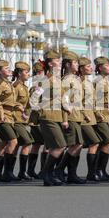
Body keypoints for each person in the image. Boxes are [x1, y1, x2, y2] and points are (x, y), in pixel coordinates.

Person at [55, 51, 86, 184]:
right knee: (75, 144)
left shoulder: (75, 79)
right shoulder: (67, 80)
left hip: (77, 115)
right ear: (67, 65)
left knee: (78, 145)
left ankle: (72, 173)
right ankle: (60, 169)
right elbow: (64, 100)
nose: (77, 65)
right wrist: (65, 119)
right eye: (75, 63)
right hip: (71, 115)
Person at [38, 50, 67, 186]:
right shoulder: (46, 80)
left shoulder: (57, 79)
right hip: (48, 116)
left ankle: (48, 175)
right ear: (50, 63)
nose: (60, 62)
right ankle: (46, 173)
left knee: (57, 146)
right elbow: (35, 97)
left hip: (57, 116)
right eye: (57, 60)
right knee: (60, 145)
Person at [0, 59, 19, 182]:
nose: (9, 70)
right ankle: (7, 172)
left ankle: (0, 173)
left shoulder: (8, 83)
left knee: (3, 144)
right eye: (5, 68)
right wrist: (0, 113)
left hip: (10, 116)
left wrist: (17, 105)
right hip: (2, 117)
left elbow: (9, 99)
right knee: (13, 141)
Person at [78, 56, 102, 181]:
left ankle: (92, 172)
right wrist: (83, 113)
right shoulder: (79, 82)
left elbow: (92, 101)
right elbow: (76, 101)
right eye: (87, 66)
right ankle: (91, 173)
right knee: (93, 142)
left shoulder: (88, 82)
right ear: (81, 69)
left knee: (80, 145)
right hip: (83, 117)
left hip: (91, 116)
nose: (91, 68)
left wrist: (97, 114)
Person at [93, 56, 109, 181]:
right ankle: (97, 170)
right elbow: (93, 99)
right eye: (107, 66)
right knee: (108, 141)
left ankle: (101, 170)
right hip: (100, 114)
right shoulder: (98, 81)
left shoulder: (107, 81)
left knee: (105, 142)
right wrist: (97, 113)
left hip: (107, 113)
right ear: (100, 68)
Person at [12, 61, 35, 181]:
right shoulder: (15, 86)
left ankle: (18, 172)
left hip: (23, 119)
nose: (28, 75)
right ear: (19, 73)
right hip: (16, 119)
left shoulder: (24, 87)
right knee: (27, 142)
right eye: (26, 72)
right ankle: (18, 172)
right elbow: (10, 100)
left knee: (16, 145)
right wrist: (18, 106)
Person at [27, 61, 47, 179]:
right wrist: (40, 109)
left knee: (38, 144)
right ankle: (42, 170)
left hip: (37, 119)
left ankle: (34, 170)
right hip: (39, 118)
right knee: (45, 144)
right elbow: (33, 102)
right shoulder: (39, 85)